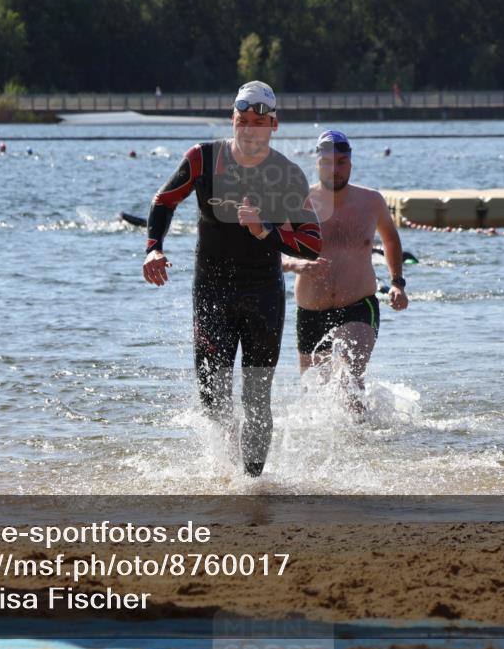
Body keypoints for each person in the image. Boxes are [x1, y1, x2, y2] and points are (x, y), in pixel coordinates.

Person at [142, 81, 322, 477]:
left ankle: (252, 485)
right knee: (213, 398)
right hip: (211, 292)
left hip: (263, 295)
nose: (249, 129)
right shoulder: (203, 159)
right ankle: (227, 460)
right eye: (243, 120)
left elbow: (312, 243)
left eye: (259, 122)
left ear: (273, 126)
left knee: (257, 396)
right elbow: (163, 201)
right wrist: (153, 248)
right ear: (232, 120)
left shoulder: (286, 174)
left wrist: (266, 232)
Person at [283, 130, 408, 412]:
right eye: (328, 162)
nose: (335, 169)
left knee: (350, 379)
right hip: (310, 310)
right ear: (317, 163)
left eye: (341, 162)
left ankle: (365, 447)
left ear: (350, 164)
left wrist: (397, 282)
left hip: (359, 305)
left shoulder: (371, 201)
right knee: (313, 398)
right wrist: (295, 263)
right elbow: (270, 250)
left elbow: (390, 238)